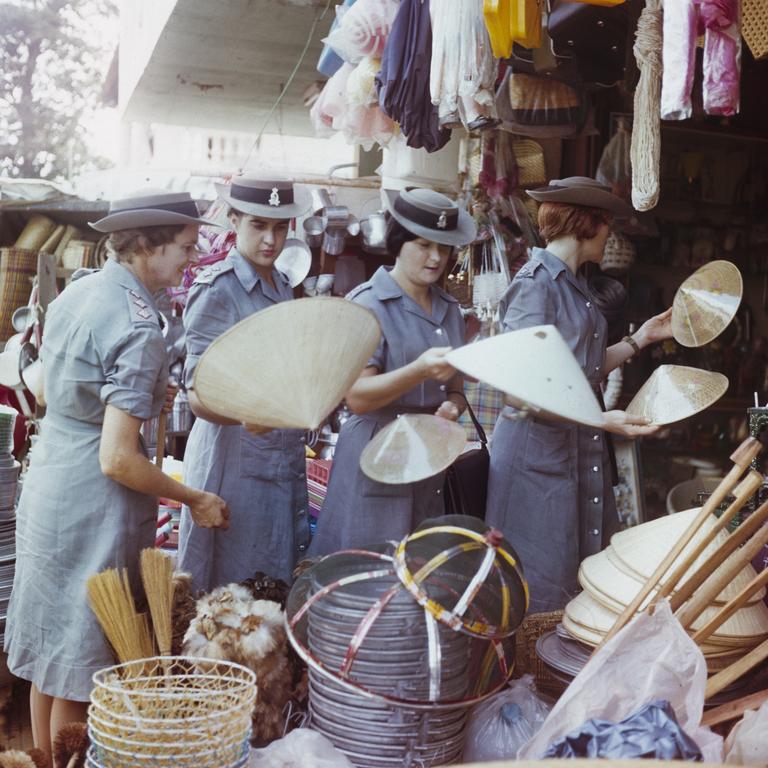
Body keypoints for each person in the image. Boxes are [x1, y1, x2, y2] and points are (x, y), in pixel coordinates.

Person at [4, 192, 230, 758]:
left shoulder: (82, 290)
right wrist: (193, 496)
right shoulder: (138, 328)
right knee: (83, 669)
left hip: (52, 476)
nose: (191, 258)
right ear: (147, 247)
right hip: (94, 503)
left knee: (51, 659)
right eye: (183, 247)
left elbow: (53, 388)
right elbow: (119, 458)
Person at [485, 177, 673, 613]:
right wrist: (599, 420)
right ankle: (526, 676)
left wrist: (641, 339)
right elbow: (519, 388)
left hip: (573, 451)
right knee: (537, 583)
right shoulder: (536, 285)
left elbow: (580, 371)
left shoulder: (576, 286)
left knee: (579, 578)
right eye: (606, 223)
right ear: (586, 223)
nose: (610, 234)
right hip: (538, 460)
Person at [309, 188, 477, 556]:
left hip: (427, 453)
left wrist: (452, 406)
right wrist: (418, 371)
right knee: (368, 566)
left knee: (418, 566)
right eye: (423, 245)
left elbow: (456, 388)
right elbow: (357, 396)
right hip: (376, 447)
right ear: (398, 243)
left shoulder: (448, 309)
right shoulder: (367, 304)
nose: (435, 257)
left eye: (444, 248)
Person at [178, 176, 312, 591]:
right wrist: (245, 414)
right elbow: (196, 396)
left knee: (274, 586)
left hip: (281, 454)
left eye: (280, 227)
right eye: (258, 225)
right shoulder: (218, 290)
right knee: (230, 591)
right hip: (233, 458)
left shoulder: (284, 286)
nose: (271, 239)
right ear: (234, 219)